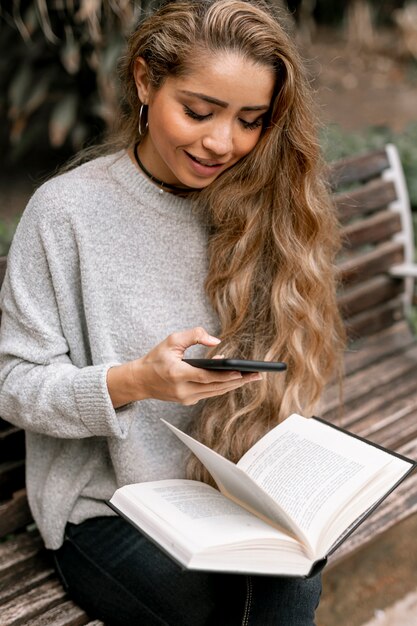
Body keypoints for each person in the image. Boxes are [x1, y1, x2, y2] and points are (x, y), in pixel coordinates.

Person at [0, 1, 345, 624]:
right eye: (198, 111)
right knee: (212, 607)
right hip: (110, 508)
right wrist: (137, 380)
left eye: (251, 120)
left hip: (229, 497)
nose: (222, 143)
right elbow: (14, 384)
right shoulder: (67, 214)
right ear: (144, 81)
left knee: (294, 578)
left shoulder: (265, 206)